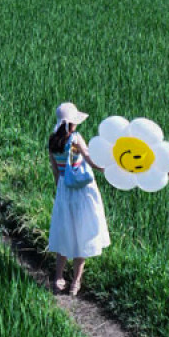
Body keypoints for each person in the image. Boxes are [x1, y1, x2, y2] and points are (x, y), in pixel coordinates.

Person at [47, 102, 109, 296]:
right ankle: (76, 282)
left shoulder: (52, 141)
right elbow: (89, 158)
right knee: (82, 233)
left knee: (65, 231)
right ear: (71, 123)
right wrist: (107, 169)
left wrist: (60, 191)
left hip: (64, 190)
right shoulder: (75, 138)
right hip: (82, 191)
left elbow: (55, 170)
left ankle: (58, 278)